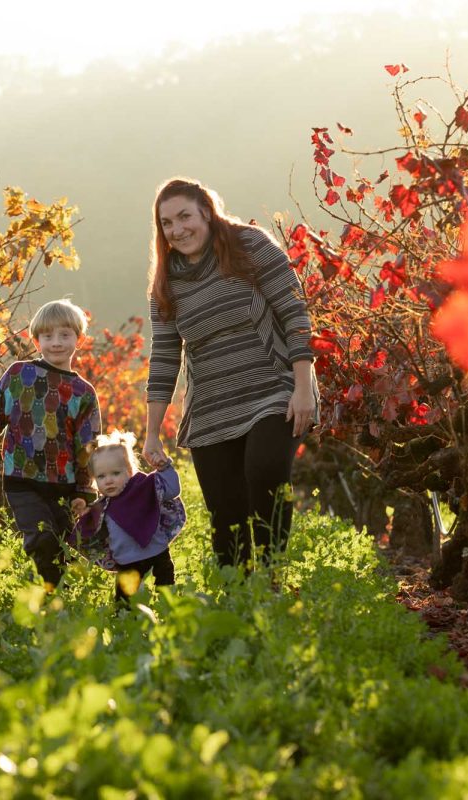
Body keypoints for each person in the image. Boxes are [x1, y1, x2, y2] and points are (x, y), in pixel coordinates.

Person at [142, 177, 317, 571]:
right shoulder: (166, 282)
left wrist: (303, 388)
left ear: (206, 210)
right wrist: (152, 432)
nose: (177, 229)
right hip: (212, 404)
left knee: (265, 472)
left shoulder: (249, 245)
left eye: (185, 216)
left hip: (276, 387)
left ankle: (273, 576)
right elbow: (165, 356)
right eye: (167, 223)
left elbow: (295, 313)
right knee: (226, 516)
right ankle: (236, 598)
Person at [0, 299, 101, 587]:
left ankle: (60, 601)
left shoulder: (82, 392)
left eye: (65, 335)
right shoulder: (18, 375)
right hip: (20, 478)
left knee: (67, 547)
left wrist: (85, 490)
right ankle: (51, 596)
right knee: (42, 537)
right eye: (47, 336)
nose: (56, 343)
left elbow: (88, 444)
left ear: (80, 339)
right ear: (35, 340)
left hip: (63, 483)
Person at [69, 432, 186, 603]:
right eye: (101, 476)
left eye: (115, 473)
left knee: (166, 588)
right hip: (126, 560)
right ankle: (125, 621)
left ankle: (168, 612)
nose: (108, 481)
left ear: (130, 471)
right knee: (125, 601)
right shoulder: (102, 506)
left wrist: (164, 468)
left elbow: (173, 490)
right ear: (94, 480)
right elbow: (89, 529)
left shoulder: (144, 487)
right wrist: (83, 513)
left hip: (157, 551)